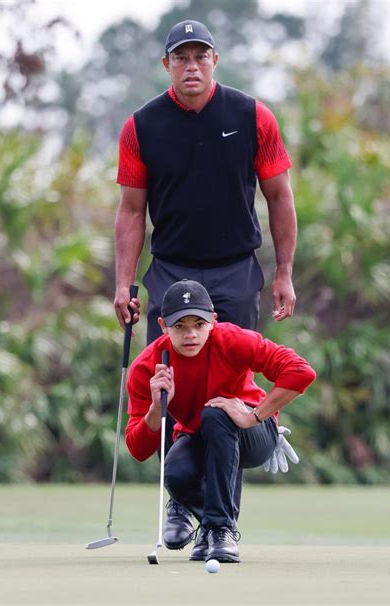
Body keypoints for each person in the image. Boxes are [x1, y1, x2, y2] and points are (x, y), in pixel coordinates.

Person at [114, 19, 297, 551]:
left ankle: (220, 527)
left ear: (215, 60)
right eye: (181, 57)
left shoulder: (252, 116)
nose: (191, 65)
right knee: (167, 384)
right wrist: (124, 283)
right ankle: (181, 497)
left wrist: (283, 272)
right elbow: (130, 210)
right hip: (171, 267)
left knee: (226, 395)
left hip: (235, 270)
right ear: (167, 64)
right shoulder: (142, 125)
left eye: (201, 55)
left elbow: (280, 196)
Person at [125, 279, 316, 563]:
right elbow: (138, 449)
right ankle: (210, 528)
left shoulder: (232, 339)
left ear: (213, 321)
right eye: (180, 326)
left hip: (254, 434)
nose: (191, 335)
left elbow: (301, 372)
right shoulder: (148, 366)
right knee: (175, 473)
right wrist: (156, 408)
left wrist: (255, 415)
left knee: (216, 414)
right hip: (200, 436)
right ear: (163, 325)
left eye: (198, 325)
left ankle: (219, 529)